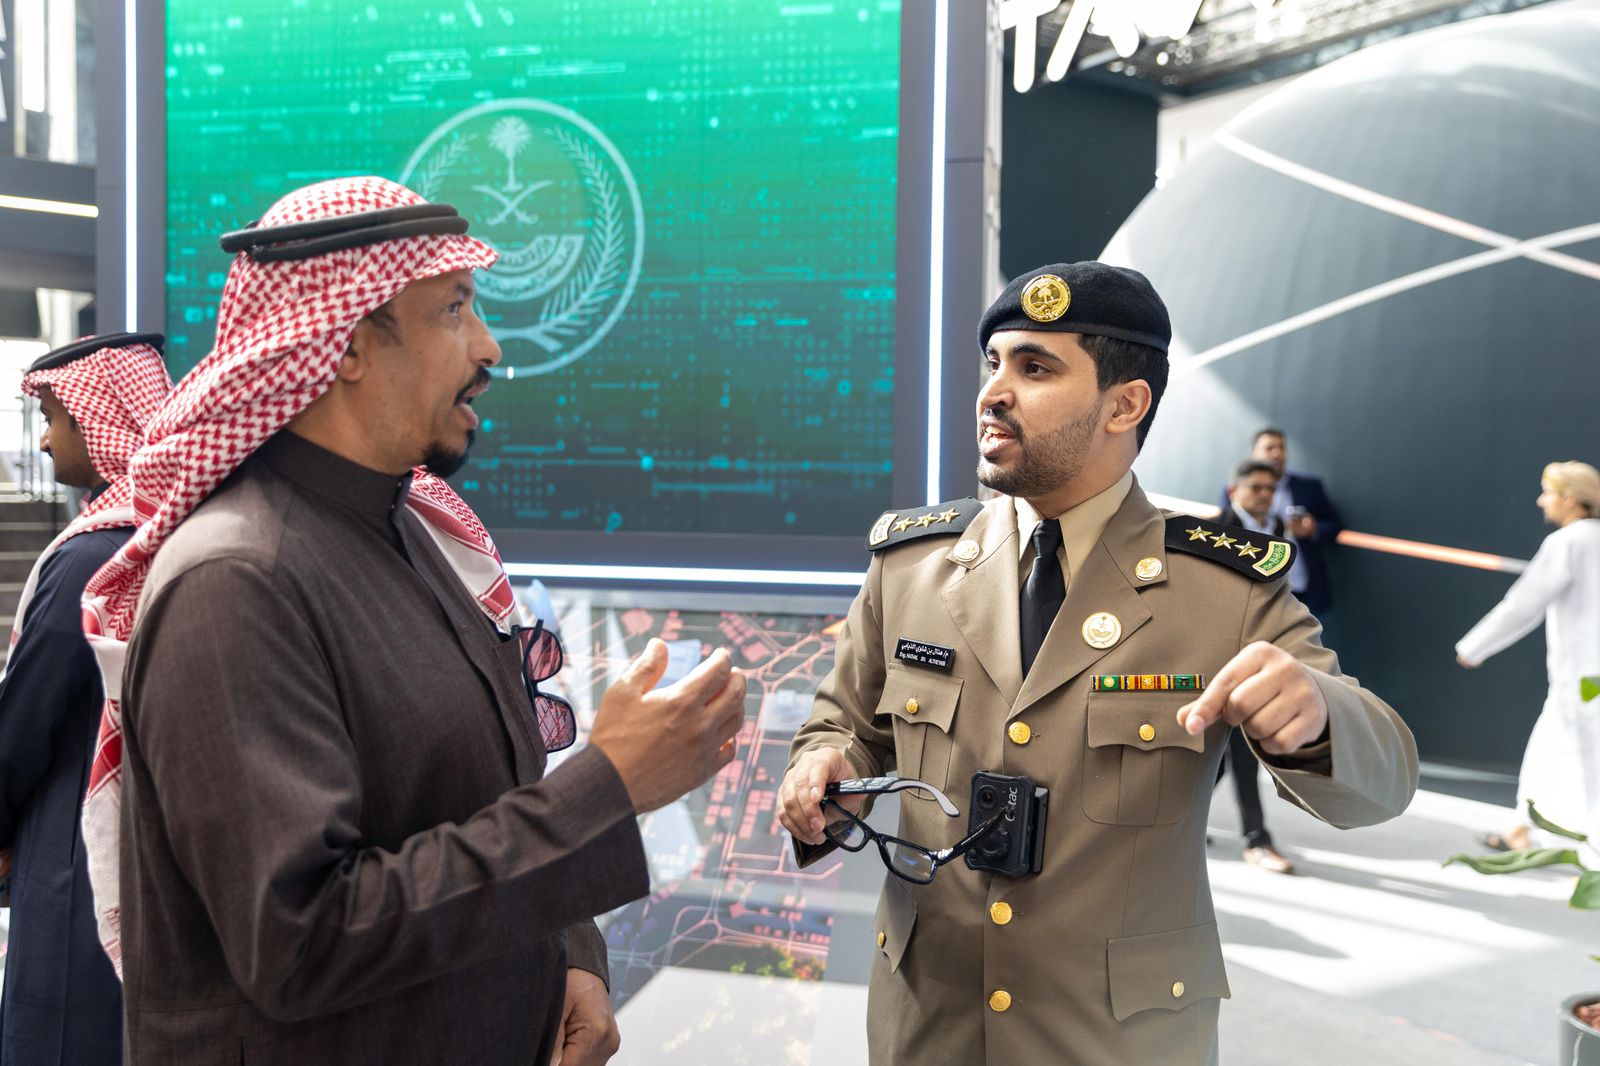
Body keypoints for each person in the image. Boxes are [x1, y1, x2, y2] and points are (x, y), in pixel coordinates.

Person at [79, 177, 747, 1064]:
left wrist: (570, 954)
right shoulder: (236, 582)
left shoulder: (410, 533)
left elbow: (482, 800)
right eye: (454, 311)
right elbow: (302, 940)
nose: (489, 346)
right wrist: (608, 786)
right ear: (351, 344)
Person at [776, 262, 1417, 1065]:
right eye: (994, 364)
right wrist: (826, 766)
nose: (994, 392)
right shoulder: (912, 565)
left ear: (1125, 405)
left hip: (1119, 1039)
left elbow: (1387, 782)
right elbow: (845, 724)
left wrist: (1320, 715)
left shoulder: (1223, 589)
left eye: (1036, 368)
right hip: (927, 1023)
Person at [0, 333, 172, 1065]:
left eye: (54, 419)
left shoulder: (91, 555)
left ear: (96, 418)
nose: (44, 441)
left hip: (75, 863)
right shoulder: (179, 526)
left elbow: (20, 730)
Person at [1456, 461, 1600, 851]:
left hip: (1585, 680)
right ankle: (1521, 829)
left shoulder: (1567, 543)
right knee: (1547, 749)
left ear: (1571, 499)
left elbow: (1523, 605)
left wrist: (1474, 647)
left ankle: (1592, 859)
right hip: (1585, 680)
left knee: (1589, 766)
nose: (1541, 500)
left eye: (1548, 492)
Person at [1216, 458, 1296, 874]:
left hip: (1263, 651)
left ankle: (1178, 822)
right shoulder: (1214, 530)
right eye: (1256, 488)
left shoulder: (1278, 528)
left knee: (1223, 755)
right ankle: (1257, 839)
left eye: (1271, 489)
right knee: (1243, 750)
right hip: (1223, 654)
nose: (1265, 495)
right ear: (1235, 491)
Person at [1219, 427, 1344, 619]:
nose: (1277, 453)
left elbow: (1334, 525)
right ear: (1234, 492)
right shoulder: (1234, 496)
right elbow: (1224, 532)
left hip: (1304, 589)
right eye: (1269, 448)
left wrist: (1313, 529)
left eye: (1281, 447)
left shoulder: (1306, 488)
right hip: (1255, 597)